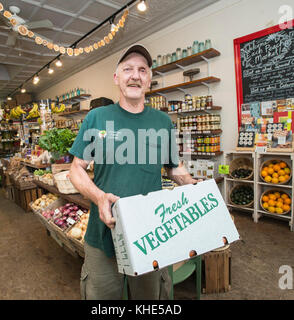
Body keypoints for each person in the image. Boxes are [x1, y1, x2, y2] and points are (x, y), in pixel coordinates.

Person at [69, 44, 200, 300]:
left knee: (149, 300)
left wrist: (193, 186)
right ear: (116, 78)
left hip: (150, 235)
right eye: (128, 69)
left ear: (149, 80)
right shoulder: (97, 117)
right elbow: (76, 169)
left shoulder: (162, 122)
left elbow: (174, 167)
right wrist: (98, 197)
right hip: (103, 234)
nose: (135, 75)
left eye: (142, 70)